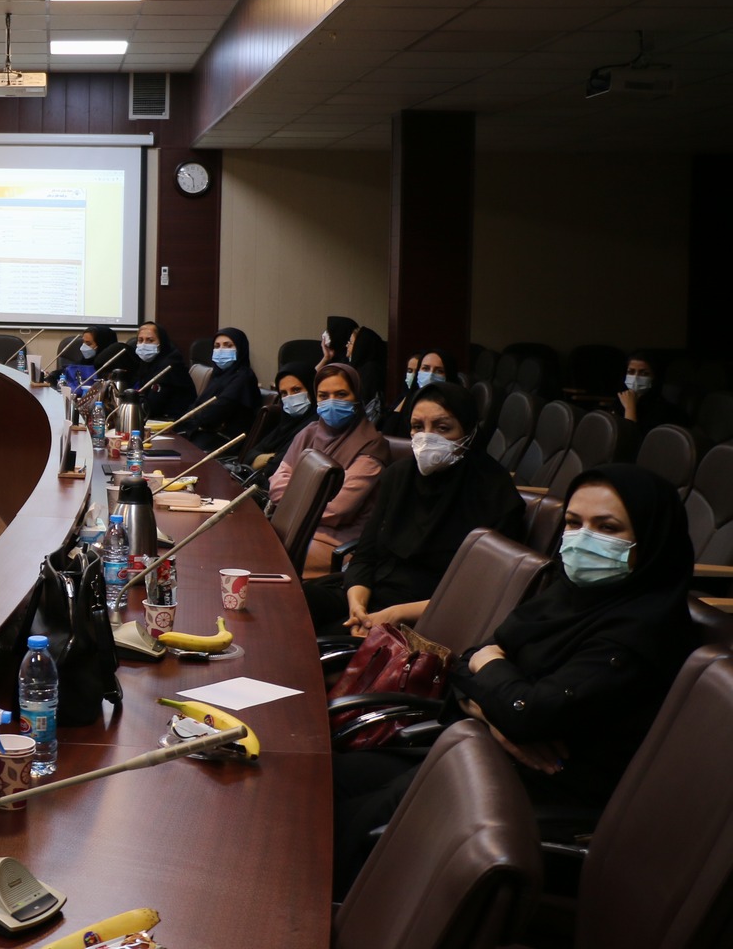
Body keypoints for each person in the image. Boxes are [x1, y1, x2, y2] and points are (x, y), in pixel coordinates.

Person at [333, 464, 696, 891]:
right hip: (484, 748)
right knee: (334, 777)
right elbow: (467, 662)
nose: (583, 538)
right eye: (574, 522)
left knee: (348, 824)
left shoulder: (642, 632)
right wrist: (497, 714)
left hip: (545, 790)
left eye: (607, 527)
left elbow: (527, 710)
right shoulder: (567, 595)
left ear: (652, 539)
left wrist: (499, 687)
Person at [305, 382, 525, 633]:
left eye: (442, 428)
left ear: (469, 430)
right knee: (292, 604)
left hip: (429, 614)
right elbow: (366, 554)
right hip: (369, 592)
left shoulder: (495, 493)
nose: (427, 437)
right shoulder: (399, 475)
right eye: (418, 427)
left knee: (311, 637)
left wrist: (394, 614)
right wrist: (358, 606)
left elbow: (481, 593)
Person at [269, 362, 389, 569]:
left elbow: (339, 509)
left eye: (341, 394)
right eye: (323, 396)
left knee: (267, 561)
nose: (331, 402)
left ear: (357, 397)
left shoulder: (372, 445)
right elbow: (277, 484)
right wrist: (304, 503)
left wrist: (292, 501)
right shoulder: (309, 432)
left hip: (335, 542)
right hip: (291, 529)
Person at [238, 361, 317, 484]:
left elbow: (274, 468)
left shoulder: (316, 425)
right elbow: (248, 456)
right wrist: (274, 457)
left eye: (296, 390)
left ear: (312, 390)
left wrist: (264, 459)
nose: (290, 397)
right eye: (284, 393)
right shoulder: (286, 423)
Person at [186, 328, 261, 450]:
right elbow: (198, 405)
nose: (221, 350)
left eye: (228, 346)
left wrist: (194, 418)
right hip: (207, 433)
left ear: (240, 349)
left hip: (226, 440)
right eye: (217, 346)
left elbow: (213, 413)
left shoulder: (244, 377)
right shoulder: (219, 375)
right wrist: (193, 417)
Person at [379, 349, 459, 437]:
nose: (430, 375)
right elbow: (389, 433)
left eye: (439, 371)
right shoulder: (408, 400)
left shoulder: (457, 404)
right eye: (426, 369)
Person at [618, 350, 686, 453]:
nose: (635, 377)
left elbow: (632, 442)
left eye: (644, 373)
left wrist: (630, 408)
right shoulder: (621, 400)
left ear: (655, 377)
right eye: (631, 372)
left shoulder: (663, 410)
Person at [130, 320, 196, 421]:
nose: (144, 345)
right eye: (140, 340)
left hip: (174, 420)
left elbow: (152, 407)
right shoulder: (148, 363)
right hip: (156, 417)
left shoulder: (170, 365)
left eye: (150, 340)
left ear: (162, 342)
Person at [347, 325, 388, 423]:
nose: (347, 346)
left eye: (351, 343)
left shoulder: (370, 370)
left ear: (360, 347)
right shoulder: (356, 367)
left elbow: (365, 402)